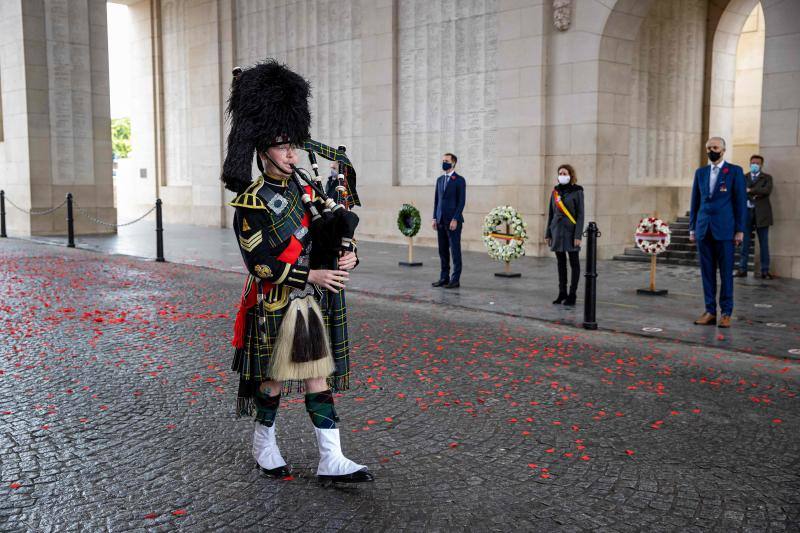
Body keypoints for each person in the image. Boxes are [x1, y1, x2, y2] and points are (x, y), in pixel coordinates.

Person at [221, 60, 373, 484]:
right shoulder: (251, 202)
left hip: (311, 302)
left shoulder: (309, 188)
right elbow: (261, 263)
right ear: (263, 149)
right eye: (284, 147)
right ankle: (263, 443)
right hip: (277, 302)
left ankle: (332, 458)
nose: (292, 154)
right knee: (271, 382)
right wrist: (310, 277)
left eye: (294, 146)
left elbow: (335, 225)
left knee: (316, 378)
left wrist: (349, 254)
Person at [689, 137, 747, 328]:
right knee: (707, 273)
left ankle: (726, 313)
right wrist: (692, 228)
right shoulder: (701, 173)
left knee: (726, 274)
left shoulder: (735, 171)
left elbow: (740, 203)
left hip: (725, 231)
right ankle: (710, 311)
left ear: (723, 150)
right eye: (708, 148)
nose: (711, 151)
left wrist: (740, 229)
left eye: (715, 147)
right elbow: (695, 202)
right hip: (704, 229)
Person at [545, 164, 584, 306]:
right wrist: (548, 233)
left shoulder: (577, 191)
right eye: (560, 173)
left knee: (574, 263)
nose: (562, 175)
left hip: (571, 232)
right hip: (557, 231)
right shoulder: (555, 192)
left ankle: (572, 294)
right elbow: (551, 213)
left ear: (570, 175)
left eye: (564, 173)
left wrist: (578, 236)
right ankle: (562, 293)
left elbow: (580, 215)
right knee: (560, 263)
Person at [735, 154, 773, 279]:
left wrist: (750, 191)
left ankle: (765, 270)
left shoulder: (767, 178)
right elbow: (739, 192)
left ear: (761, 164)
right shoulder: (743, 177)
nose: (754, 165)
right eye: (752, 163)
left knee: (764, 244)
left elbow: (766, 191)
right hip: (746, 213)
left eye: (757, 163)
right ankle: (742, 269)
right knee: (744, 243)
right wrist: (756, 193)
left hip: (762, 214)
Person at [431, 153, 466, 289]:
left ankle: (455, 279)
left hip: (453, 222)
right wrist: (435, 217)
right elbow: (436, 201)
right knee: (443, 251)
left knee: (455, 251)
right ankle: (444, 278)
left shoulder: (459, 180)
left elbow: (461, 202)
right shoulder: (439, 180)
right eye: (443, 161)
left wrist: (455, 218)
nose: (443, 163)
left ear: (453, 163)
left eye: (446, 161)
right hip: (440, 221)